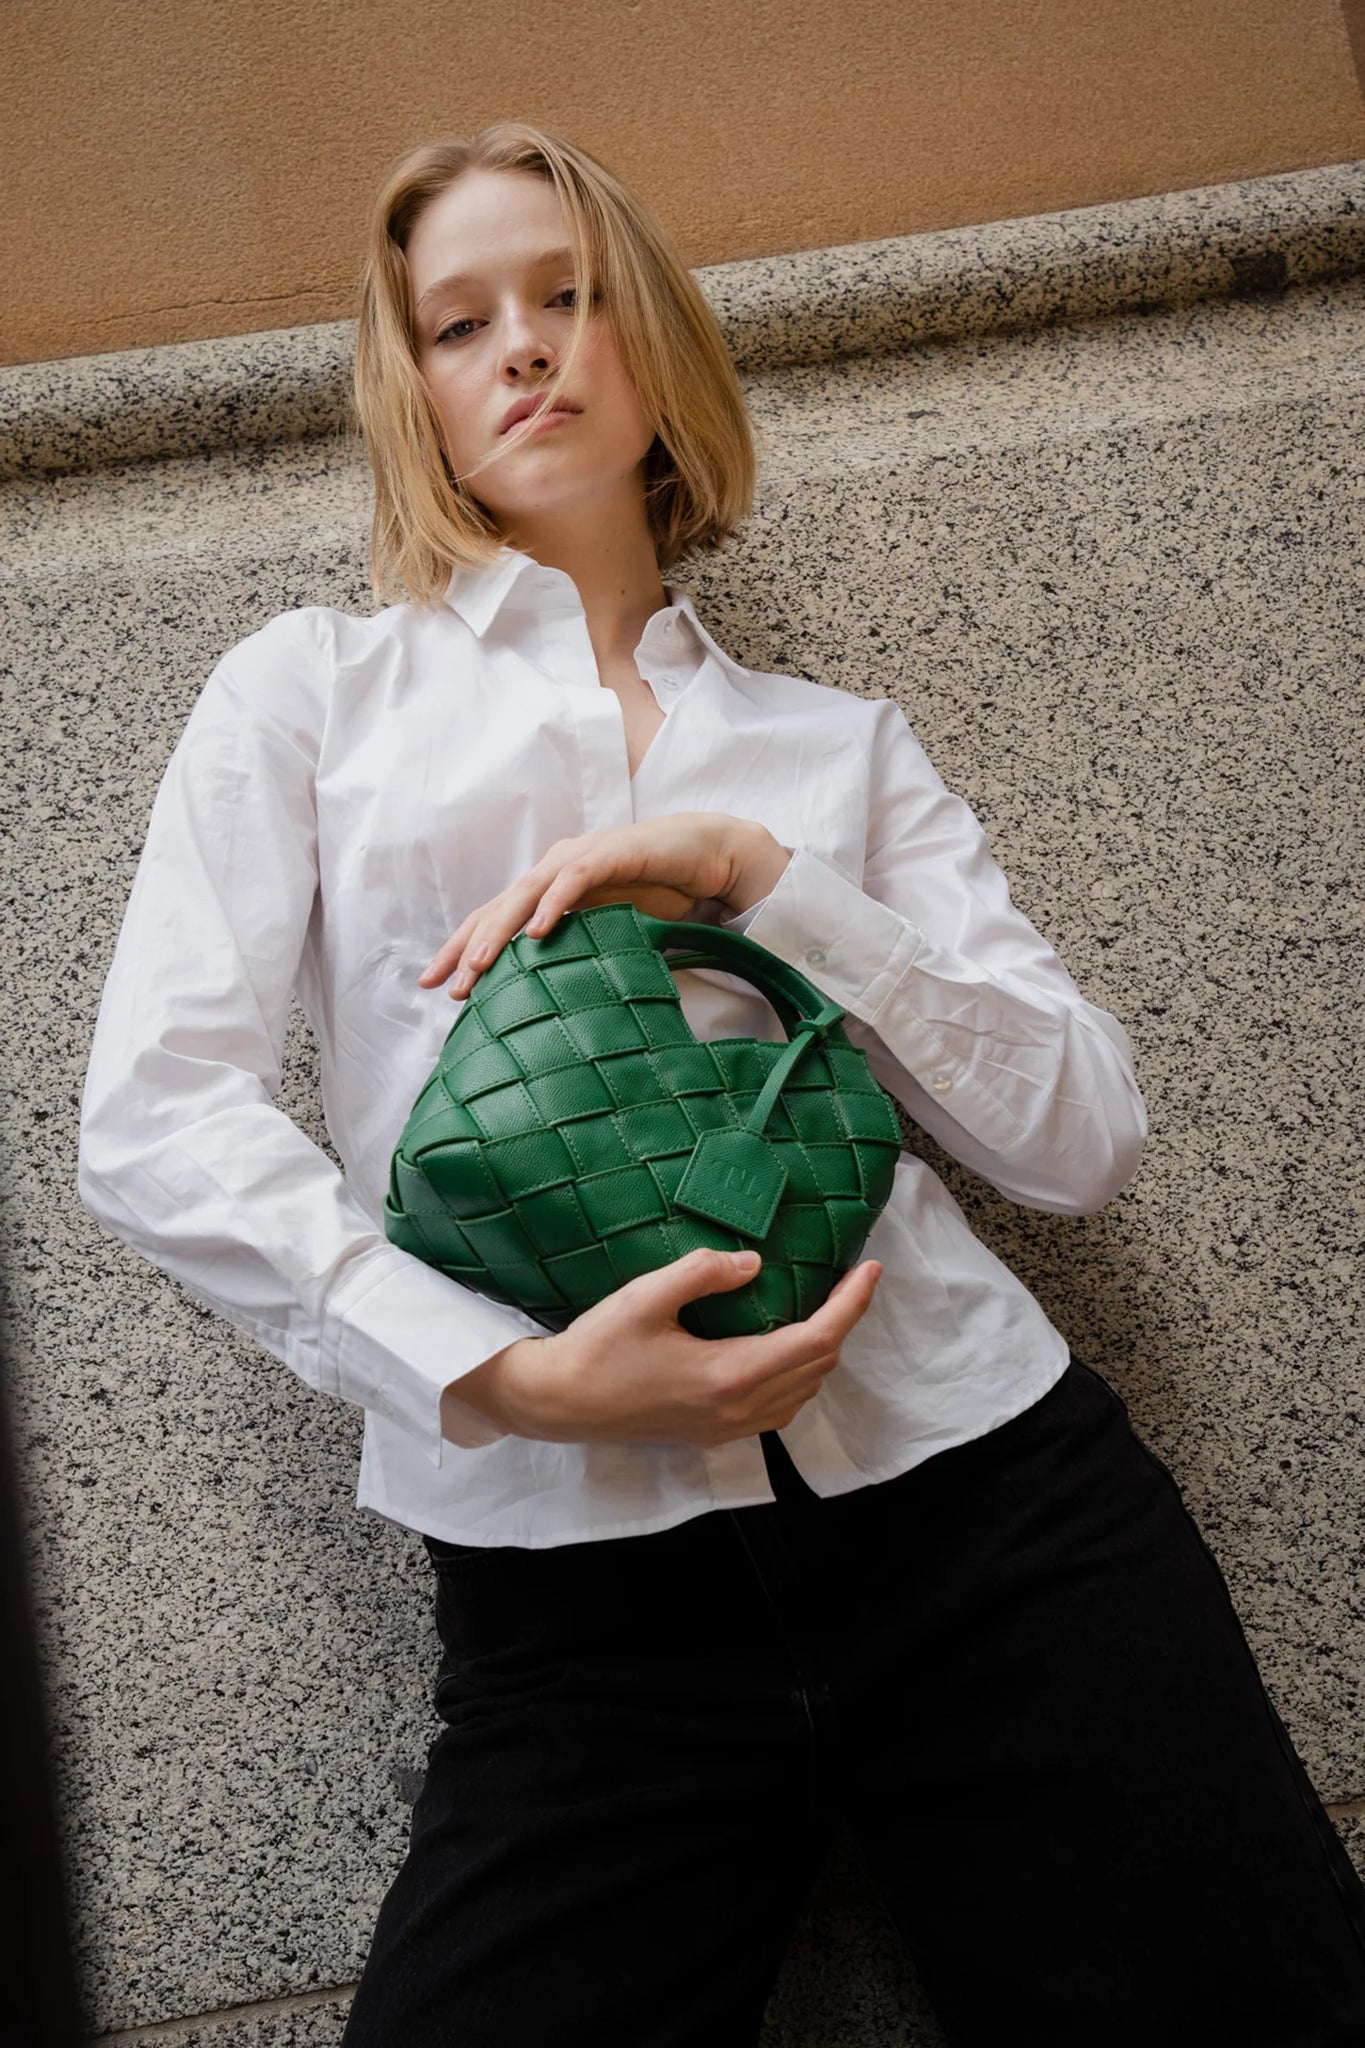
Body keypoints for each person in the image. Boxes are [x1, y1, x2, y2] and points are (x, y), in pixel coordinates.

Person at [76, 120, 1365, 2048]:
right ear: (409, 387)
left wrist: (765, 881)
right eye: (458, 321)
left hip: (989, 1516)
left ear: (651, 340)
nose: (523, 346)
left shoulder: (833, 746)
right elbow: (153, 1117)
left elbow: (1080, 1137)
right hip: (576, 1600)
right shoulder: (311, 694)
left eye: (568, 294)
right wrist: (495, 1376)